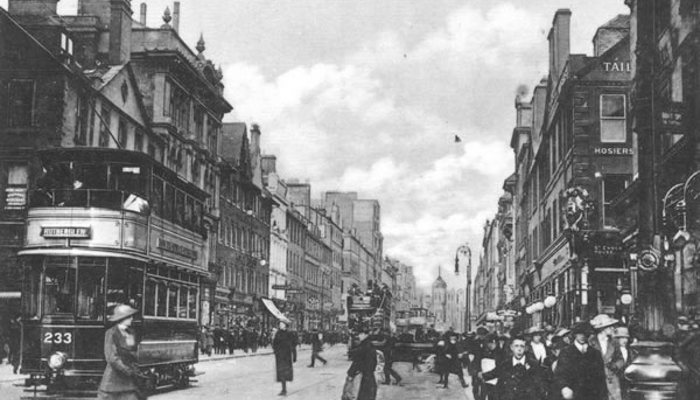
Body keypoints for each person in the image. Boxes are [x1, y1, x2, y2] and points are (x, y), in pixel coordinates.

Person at [97, 304, 146, 400]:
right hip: (113, 380)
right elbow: (111, 357)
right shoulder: (111, 333)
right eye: (129, 317)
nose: (132, 319)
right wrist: (127, 370)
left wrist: (135, 370)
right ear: (122, 318)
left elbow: (133, 353)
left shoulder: (131, 333)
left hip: (130, 381)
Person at [480, 335, 545, 400]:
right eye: (516, 346)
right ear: (511, 347)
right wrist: (482, 375)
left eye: (522, 346)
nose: (519, 349)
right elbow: (495, 373)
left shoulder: (533, 364)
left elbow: (540, 387)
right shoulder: (505, 364)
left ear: (525, 348)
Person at [554, 321, 607, 400]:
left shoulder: (595, 353)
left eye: (585, 333)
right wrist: (564, 387)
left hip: (592, 395)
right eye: (579, 333)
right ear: (575, 334)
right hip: (572, 393)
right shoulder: (566, 352)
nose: (582, 336)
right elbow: (560, 374)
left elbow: (601, 378)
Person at [589, 314, 621, 400]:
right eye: (610, 327)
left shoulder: (614, 342)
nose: (613, 329)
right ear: (602, 328)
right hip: (594, 381)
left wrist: (615, 365)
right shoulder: (591, 342)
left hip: (611, 380)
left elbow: (620, 359)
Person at [347, 328, 378, 400]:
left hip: (364, 375)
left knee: (362, 395)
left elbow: (357, 361)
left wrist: (351, 373)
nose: (359, 336)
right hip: (369, 375)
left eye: (361, 334)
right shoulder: (368, 344)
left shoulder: (364, 346)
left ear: (365, 335)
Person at [273, 321, 296, 396]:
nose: (280, 325)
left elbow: (293, 344)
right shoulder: (278, 333)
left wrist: (294, 355)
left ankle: (284, 389)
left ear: (285, 326)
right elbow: (274, 343)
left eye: (282, 324)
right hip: (280, 356)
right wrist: (276, 351)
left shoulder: (289, 334)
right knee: (281, 373)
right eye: (279, 324)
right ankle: (284, 389)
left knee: (285, 372)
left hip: (287, 356)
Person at [609, 327, 633, 400]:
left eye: (626, 338)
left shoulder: (631, 351)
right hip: (616, 381)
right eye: (621, 338)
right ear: (616, 339)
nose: (624, 340)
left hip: (627, 382)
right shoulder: (612, 351)